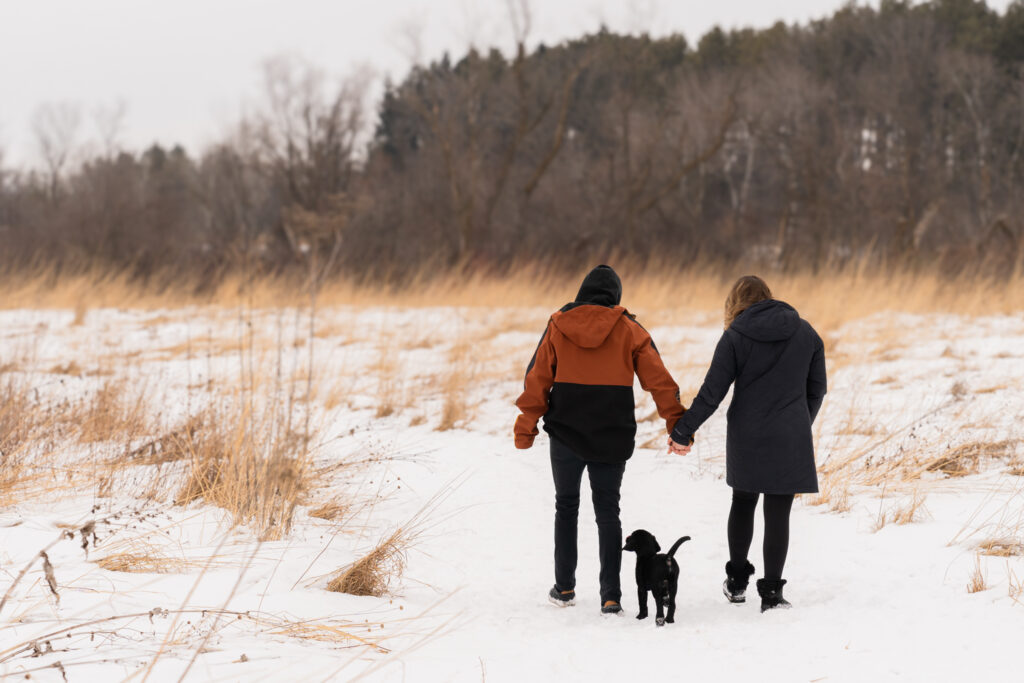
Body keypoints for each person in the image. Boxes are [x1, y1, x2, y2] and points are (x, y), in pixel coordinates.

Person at [514, 265, 689, 615]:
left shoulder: (558, 325)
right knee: (608, 513)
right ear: (616, 297)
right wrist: (676, 424)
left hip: (565, 433)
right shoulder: (630, 329)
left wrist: (525, 427)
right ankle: (611, 596)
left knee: (566, 507)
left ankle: (564, 587)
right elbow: (659, 381)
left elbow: (537, 379)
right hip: (612, 434)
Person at [669, 275, 826, 612]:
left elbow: (712, 392)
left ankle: (738, 580)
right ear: (769, 297)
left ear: (734, 304)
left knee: (743, 502)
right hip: (790, 434)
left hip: (747, 434)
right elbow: (818, 389)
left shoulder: (736, 336)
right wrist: (799, 423)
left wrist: (683, 431)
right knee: (778, 510)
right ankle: (771, 594)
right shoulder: (806, 332)